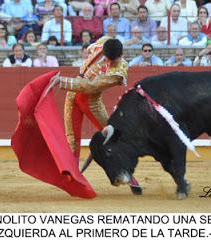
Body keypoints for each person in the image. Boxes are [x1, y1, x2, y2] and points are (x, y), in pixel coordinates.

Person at [46, 36, 142, 194]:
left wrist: (62, 81)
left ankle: (129, 176)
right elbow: (91, 50)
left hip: (90, 102)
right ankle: (73, 181)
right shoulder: (105, 47)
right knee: (72, 141)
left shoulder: (118, 71)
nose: (109, 61)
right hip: (74, 97)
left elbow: (90, 87)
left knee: (112, 139)